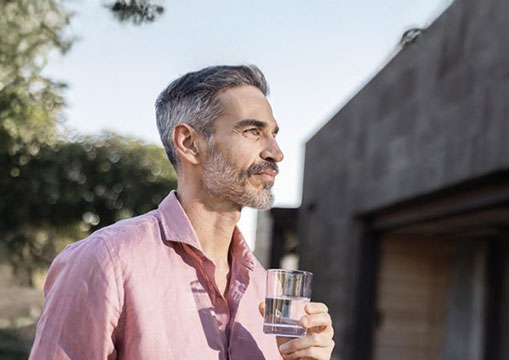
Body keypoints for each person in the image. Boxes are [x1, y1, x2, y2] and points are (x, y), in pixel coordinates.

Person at [29, 65, 334, 360]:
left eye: (274, 134)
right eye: (253, 131)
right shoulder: (105, 260)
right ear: (189, 143)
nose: (276, 153)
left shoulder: (264, 288)